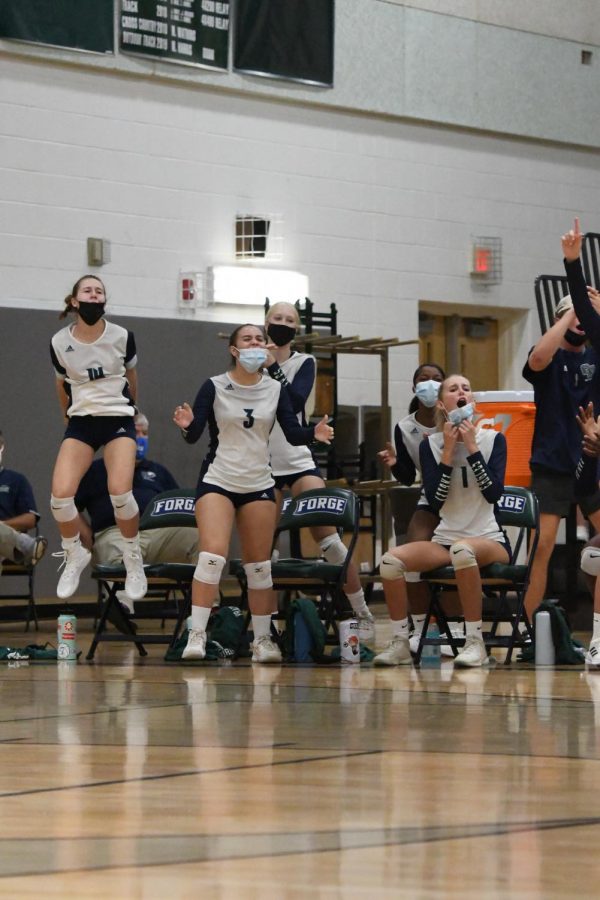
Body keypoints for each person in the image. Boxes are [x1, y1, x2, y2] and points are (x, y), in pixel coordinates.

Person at [173, 323, 334, 663]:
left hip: (259, 481)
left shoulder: (275, 389)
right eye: (247, 339)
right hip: (219, 478)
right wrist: (187, 426)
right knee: (212, 556)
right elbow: (195, 434)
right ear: (233, 349)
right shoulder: (214, 386)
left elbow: (292, 432)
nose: (255, 344)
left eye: (260, 339)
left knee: (259, 566)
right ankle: (197, 634)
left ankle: (263, 639)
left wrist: (313, 433)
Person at [373, 373, 509, 668]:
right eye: (453, 388)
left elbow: (494, 494)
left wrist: (472, 448)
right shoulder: (430, 445)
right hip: (446, 539)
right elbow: (434, 500)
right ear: (441, 402)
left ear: (471, 400)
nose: (461, 391)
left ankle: (475, 642)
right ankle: (400, 641)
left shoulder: (493, 439)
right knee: (391, 561)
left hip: (488, 539)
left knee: (463, 550)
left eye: (466, 388)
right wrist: (448, 451)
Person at [263, 301, 375, 641]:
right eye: (276, 318)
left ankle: (362, 612)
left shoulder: (304, 362)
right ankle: (266, 627)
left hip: (296, 458)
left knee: (328, 538)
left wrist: (274, 369)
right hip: (259, 464)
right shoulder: (249, 361)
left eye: (289, 320)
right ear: (264, 323)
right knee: (263, 550)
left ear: (296, 329)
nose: (282, 323)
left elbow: (294, 403)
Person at [49, 274, 147, 602]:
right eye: (87, 290)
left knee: (119, 491)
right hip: (82, 421)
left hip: (118, 418)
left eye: (99, 291)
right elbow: (60, 384)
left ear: (104, 300)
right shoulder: (59, 341)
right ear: (75, 301)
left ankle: (133, 557)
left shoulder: (122, 336)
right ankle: (74, 552)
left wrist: (134, 411)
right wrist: (68, 417)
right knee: (60, 496)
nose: (94, 295)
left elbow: (132, 379)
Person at [523, 218, 600, 621]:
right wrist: (565, 313)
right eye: (573, 313)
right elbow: (537, 358)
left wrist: (589, 307)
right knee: (543, 545)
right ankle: (528, 632)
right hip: (552, 463)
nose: (580, 320)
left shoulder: (596, 354)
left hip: (592, 459)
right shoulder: (549, 357)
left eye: (584, 314)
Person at [378, 362, 466, 654]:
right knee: (412, 553)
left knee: (456, 555)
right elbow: (406, 476)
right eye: (422, 379)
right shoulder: (405, 427)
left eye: (436, 380)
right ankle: (422, 627)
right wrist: (394, 465)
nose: (429, 384)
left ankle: (455, 628)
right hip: (430, 496)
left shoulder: (460, 419)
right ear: (414, 387)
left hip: (463, 498)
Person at [74, 413, 198, 612]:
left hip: (158, 537)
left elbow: (179, 508)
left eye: (144, 432)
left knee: (200, 538)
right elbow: (70, 506)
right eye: (135, 431)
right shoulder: (95, 471)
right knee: (119, 550)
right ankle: (121, 607)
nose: (140, 437)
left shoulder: (159, 472)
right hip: (115, 534)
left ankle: (208, 608)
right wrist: (89, 540)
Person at [0, 431, 47, 570]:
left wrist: (2, 525)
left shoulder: (16, 480)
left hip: (7, 545)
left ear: (2, 447)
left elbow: (30, 519)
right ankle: (27, 545)